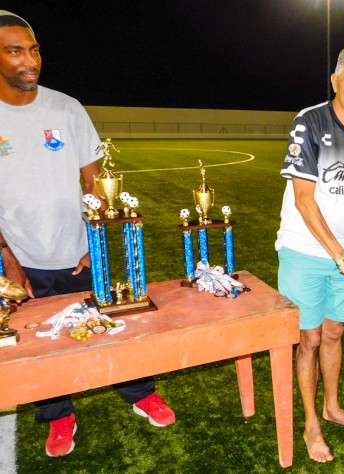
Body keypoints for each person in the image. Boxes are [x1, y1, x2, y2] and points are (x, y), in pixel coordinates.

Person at [0, 11, 175, 458]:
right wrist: (9, 261)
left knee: (113, 323)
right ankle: (59, 413)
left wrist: (94, 241)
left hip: (79, 250)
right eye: (15, 51)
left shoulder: (66, 108)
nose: (29, 61)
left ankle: (141, 392)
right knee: (40, 343)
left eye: (33, 50)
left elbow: (94, 181)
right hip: (22, 258)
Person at [275, 44, 344, 462]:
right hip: (305, 250)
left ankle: (332, 407)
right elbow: (304, 200)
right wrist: (342, 258)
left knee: (335, 332)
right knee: (309, 338)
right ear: (335, 81)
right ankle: (311, 423)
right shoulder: (309, 122)